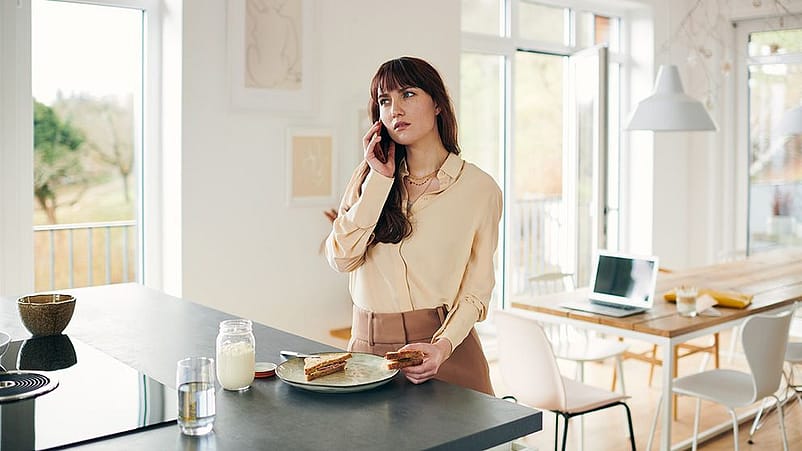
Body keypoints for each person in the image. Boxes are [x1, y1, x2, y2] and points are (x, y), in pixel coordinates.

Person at [324, 57, 502, 395]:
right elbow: (341, 259)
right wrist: (380, 180)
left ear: (437, 103)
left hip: (445, 352)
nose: (394, 110)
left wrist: (443, 346)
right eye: (384, 100)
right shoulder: (368, 178)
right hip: (368, 356)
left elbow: (477, 292)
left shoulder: (480, 189)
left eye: (408, 94)